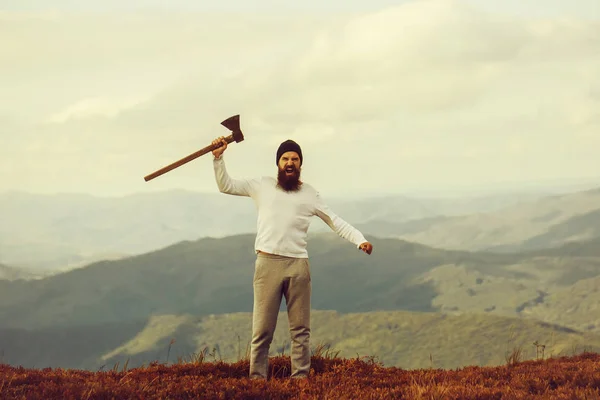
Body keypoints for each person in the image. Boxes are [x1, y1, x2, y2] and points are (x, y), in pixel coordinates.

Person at [211, 136, 373, 380]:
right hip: (267, 265)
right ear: (278, 162)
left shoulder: (310, 194)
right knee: (262, 330)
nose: (290, 162)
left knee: (300, 331)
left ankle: (300, 381)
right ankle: (256, 381)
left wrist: (359, 239)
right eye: (285, 158)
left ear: (300, 165)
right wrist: (218, 158)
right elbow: (226, 185)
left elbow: (334, 220)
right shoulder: (261, 185)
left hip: (298, 265)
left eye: (294, 159)